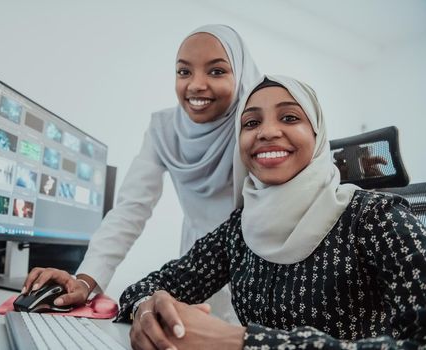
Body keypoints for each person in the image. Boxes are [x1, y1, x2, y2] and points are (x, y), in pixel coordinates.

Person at [116, 75, 426, 350]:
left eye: (290, 118)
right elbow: (147, 287)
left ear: (318, 135)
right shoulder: (238, 230)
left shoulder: (376, 217)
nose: (267, 132)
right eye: (250, 123)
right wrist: (147, 308)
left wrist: (241, 342)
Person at [21, 24, 261, 322]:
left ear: (241, 75)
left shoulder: (254, 127)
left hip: (255, 259)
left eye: (216, 71)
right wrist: (85, 280)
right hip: (197, 262)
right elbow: (130, 209)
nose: (196, 85)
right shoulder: (165, 129)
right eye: (184, 72)